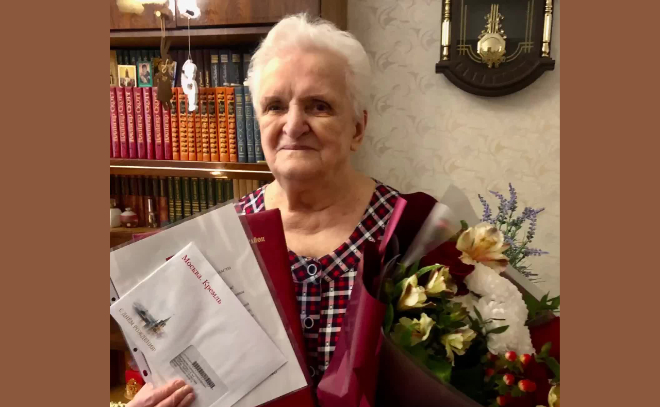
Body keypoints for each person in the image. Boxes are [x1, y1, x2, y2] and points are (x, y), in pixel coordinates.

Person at [127, 13, 438, 406]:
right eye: (275, 106)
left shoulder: (414, 231)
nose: (293, 125)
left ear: (358, 129)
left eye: (318, 106)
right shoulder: (221, 238)